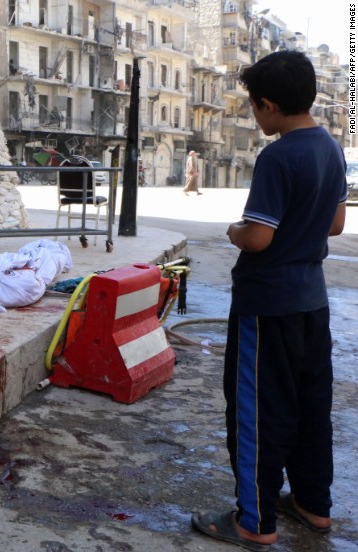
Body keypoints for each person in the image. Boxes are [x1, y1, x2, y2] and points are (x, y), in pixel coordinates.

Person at [191, 50, 348, 551]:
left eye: (254, 106)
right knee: (309, 406)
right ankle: (312, 505)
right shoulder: (329, 147)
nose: (254, 116)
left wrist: (234, 229)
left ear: (269, 104)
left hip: (268, 305)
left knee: (258, 411)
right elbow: (336, 224)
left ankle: (253, 522)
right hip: (311, 301)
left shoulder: (278, 155)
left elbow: (257, 237)